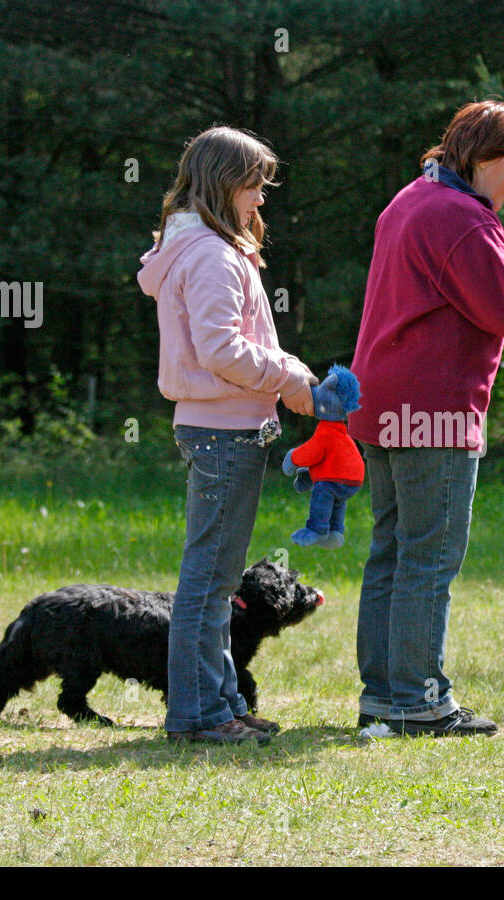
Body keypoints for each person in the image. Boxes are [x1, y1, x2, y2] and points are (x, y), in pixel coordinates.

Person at [348, 101, 504, 737]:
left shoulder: (410, 199)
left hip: (380, 406)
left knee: (392, 555)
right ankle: (420, 702)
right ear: (483, 156)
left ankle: (384, 698)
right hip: (436, 413)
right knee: (428, 560)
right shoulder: (464, 220)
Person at [137, 125, 317, 745]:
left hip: (223, 427)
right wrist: (291, 375)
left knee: (216, 580)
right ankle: (198, 715)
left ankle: (220, 704)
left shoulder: (203, 247)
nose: (261, 199)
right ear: (223, 183)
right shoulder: (212, 254)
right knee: (209, 582)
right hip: (222, 431)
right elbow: (222, 349)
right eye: (254, 185)